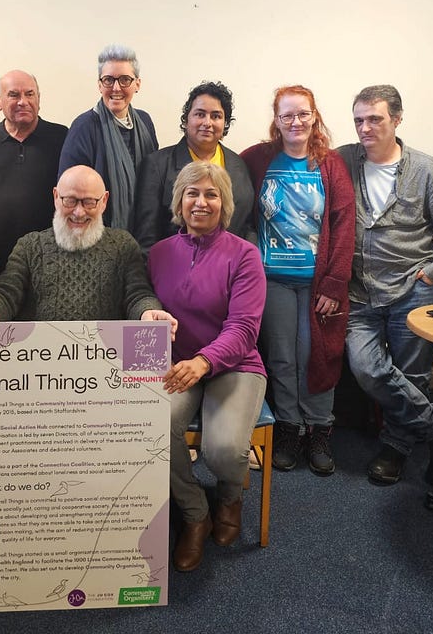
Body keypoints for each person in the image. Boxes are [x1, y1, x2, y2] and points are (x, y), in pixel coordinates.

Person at [336, 84, 433, 486]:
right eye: (359, 119)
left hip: (413, 291)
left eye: (375, 119)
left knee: (413, 377)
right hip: (360, 291)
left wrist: (432, 273)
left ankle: (395, 447)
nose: (365, 127)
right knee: (366, 368)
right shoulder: (343, 161)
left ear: (397, 119)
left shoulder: (427, 171)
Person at [148, 161, 266, 572]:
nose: (201, 202)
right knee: (154, 429)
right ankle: (196, 512)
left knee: (225, 449)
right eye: (192, 193)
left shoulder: (245, 255)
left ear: (225, 203)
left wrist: (204, 361)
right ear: (179, 202)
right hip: (177, 365)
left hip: (235, 364)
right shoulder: (158, 254)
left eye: (211, 194)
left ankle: (230, 494)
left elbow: (244, 328)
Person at [241, 86, 355, 475]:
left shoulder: (330, 164)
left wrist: (335, 283)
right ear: (276, 119)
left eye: (303, 114)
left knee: (317, 353)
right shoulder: (258, 159)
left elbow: (343, 226)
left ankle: (319, 429)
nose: (295, 122)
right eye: (287, 115)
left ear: (314, 116)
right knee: (282, 357)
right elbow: (234, 195)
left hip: (317, 283)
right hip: (272, 280)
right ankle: (289, 428)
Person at [0, 165, 174, 327]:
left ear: (104, 201)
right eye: (70, 201)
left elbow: (137, 294)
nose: (79, 212)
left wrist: (149, 312)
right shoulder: (30, 246)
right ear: (55, 197)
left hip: (106, 369)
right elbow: (6, 290)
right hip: (39, 369)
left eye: (89, 202)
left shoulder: (123, 245)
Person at [0, 70, 68, 272]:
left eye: (30, 94)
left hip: (50, 264)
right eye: (14, 95)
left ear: (39, 99)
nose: (23, 101)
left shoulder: (61, 138)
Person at [133, 80, 254, 256]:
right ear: (186, 119)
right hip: (175, 268)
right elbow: (146, 238)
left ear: (225, 122)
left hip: (230, 270)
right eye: (200, 114)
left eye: (216, 116)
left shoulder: (239, 165)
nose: (207, 122)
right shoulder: (157, 165)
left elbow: (247, 225)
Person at [58, 44, 158, 231]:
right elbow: (69, 195)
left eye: (125, 80)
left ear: (137, 84)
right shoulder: (84, 127)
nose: (116, 88)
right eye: (108, 80)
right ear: (99, 84)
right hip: (97, 236)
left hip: (143, 231)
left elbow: (154, 180)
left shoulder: (145, 122)